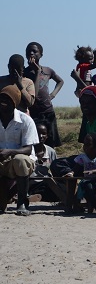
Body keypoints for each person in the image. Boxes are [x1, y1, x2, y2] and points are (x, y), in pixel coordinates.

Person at [51, 86, 96, 213]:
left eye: (89, 102)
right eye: (82, 102)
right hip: (90, 160)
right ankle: (72, 176)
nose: (85, 105)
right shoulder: (89, 123)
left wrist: (88, 165)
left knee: (73, 166)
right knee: (57, 163)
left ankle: (75, 188)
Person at [0, 85, 39, 215]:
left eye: (7, 100)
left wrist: (9, 152)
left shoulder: (25, 121)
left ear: (14, 103)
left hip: (22, 162)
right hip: (2, 161)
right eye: (1, 99)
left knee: (20, 160)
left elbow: (28, 149)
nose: (2, 103)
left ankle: (22, 202)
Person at [24, 42, 64, 147]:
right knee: (35, 140)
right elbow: (35, 93)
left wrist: (52, 95)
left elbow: (60, 81)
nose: (31, 53)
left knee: (50, 140)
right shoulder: (25, 73)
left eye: (34, 51)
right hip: (33, 112)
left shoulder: (47, 70)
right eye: (28, 51)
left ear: (41, 54)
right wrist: (36, 72)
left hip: (47, 111)